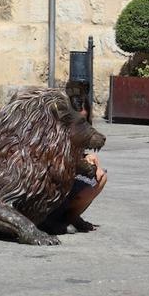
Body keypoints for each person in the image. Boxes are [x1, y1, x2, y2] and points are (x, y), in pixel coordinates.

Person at [42, 100, 106, 234]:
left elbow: (77, 153)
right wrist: (83, 163)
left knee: (101, 177)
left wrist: (88, 158)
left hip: (67, 176)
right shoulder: (53, 133)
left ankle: (70, 217)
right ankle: (49, 220)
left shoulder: (80, 133)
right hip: (48, 183)